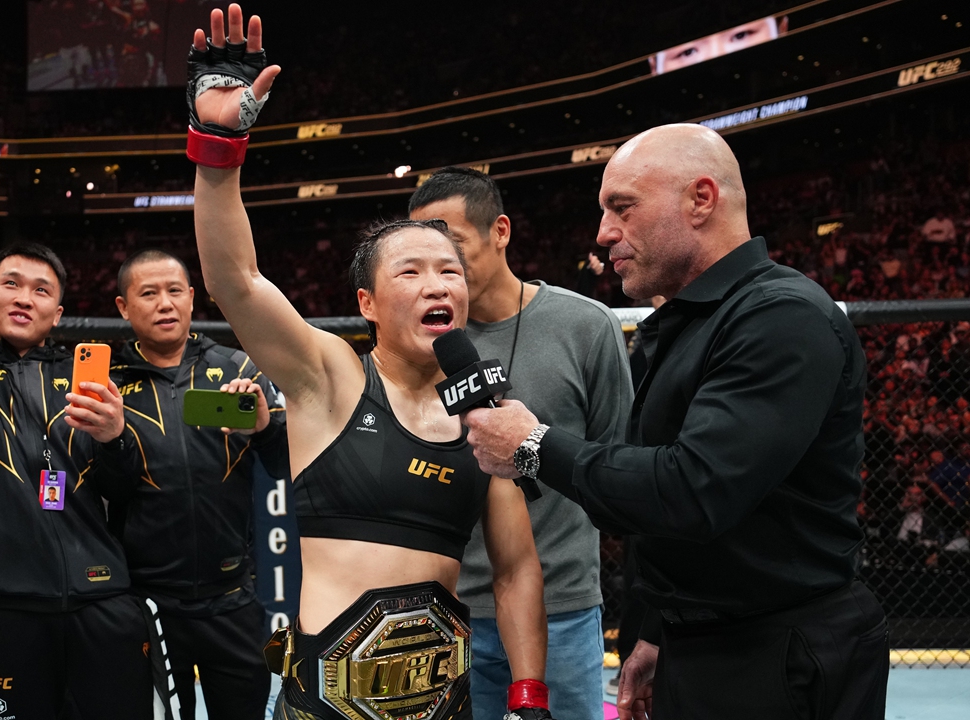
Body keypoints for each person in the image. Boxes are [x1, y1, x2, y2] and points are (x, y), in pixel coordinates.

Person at [189, 6, 550, 719]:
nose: (436, 284)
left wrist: (529, 697)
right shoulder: (331, 375)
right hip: (327, 704)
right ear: (369, 303)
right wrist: (218, 145)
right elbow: (236, 282)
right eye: (410, 273)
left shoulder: (487, 414)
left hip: (445, 705)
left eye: (448, 271)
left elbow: (514, 571)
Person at [461, 124, 889, 720]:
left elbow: (694, 490)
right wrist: (659, 631)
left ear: (701, 200)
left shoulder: (780, 318)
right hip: (710, 644)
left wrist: (533, 444)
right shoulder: (685, 325)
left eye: (623, 208)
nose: (604, 232)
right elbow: (667, 518)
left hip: (780, 657)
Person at [0, 158, 153, 720]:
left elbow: (126, 491)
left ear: (59, 311)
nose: (24, 297)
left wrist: (117, 438)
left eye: (41, 289)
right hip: (5, 603)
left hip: (102, 598)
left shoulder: (93, 381)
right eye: (11, 284)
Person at [409, 167, 633, 720]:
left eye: (453, 245)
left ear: (501, 232)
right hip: (441, 612)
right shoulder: (413, 342)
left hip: (560, 610)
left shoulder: (586, 327)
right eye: (422, 252)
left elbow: (621, 471)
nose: (440, 270)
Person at [108, 249, 290, 719]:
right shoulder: (107, 387)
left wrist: (266, 428)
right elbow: (96, 485)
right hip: (145, 602)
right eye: (148, 293)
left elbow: (288, 461)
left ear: (192, 298)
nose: (164, 303)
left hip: (231, 596)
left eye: (174, 291)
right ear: (124, 307)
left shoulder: (239, 369)